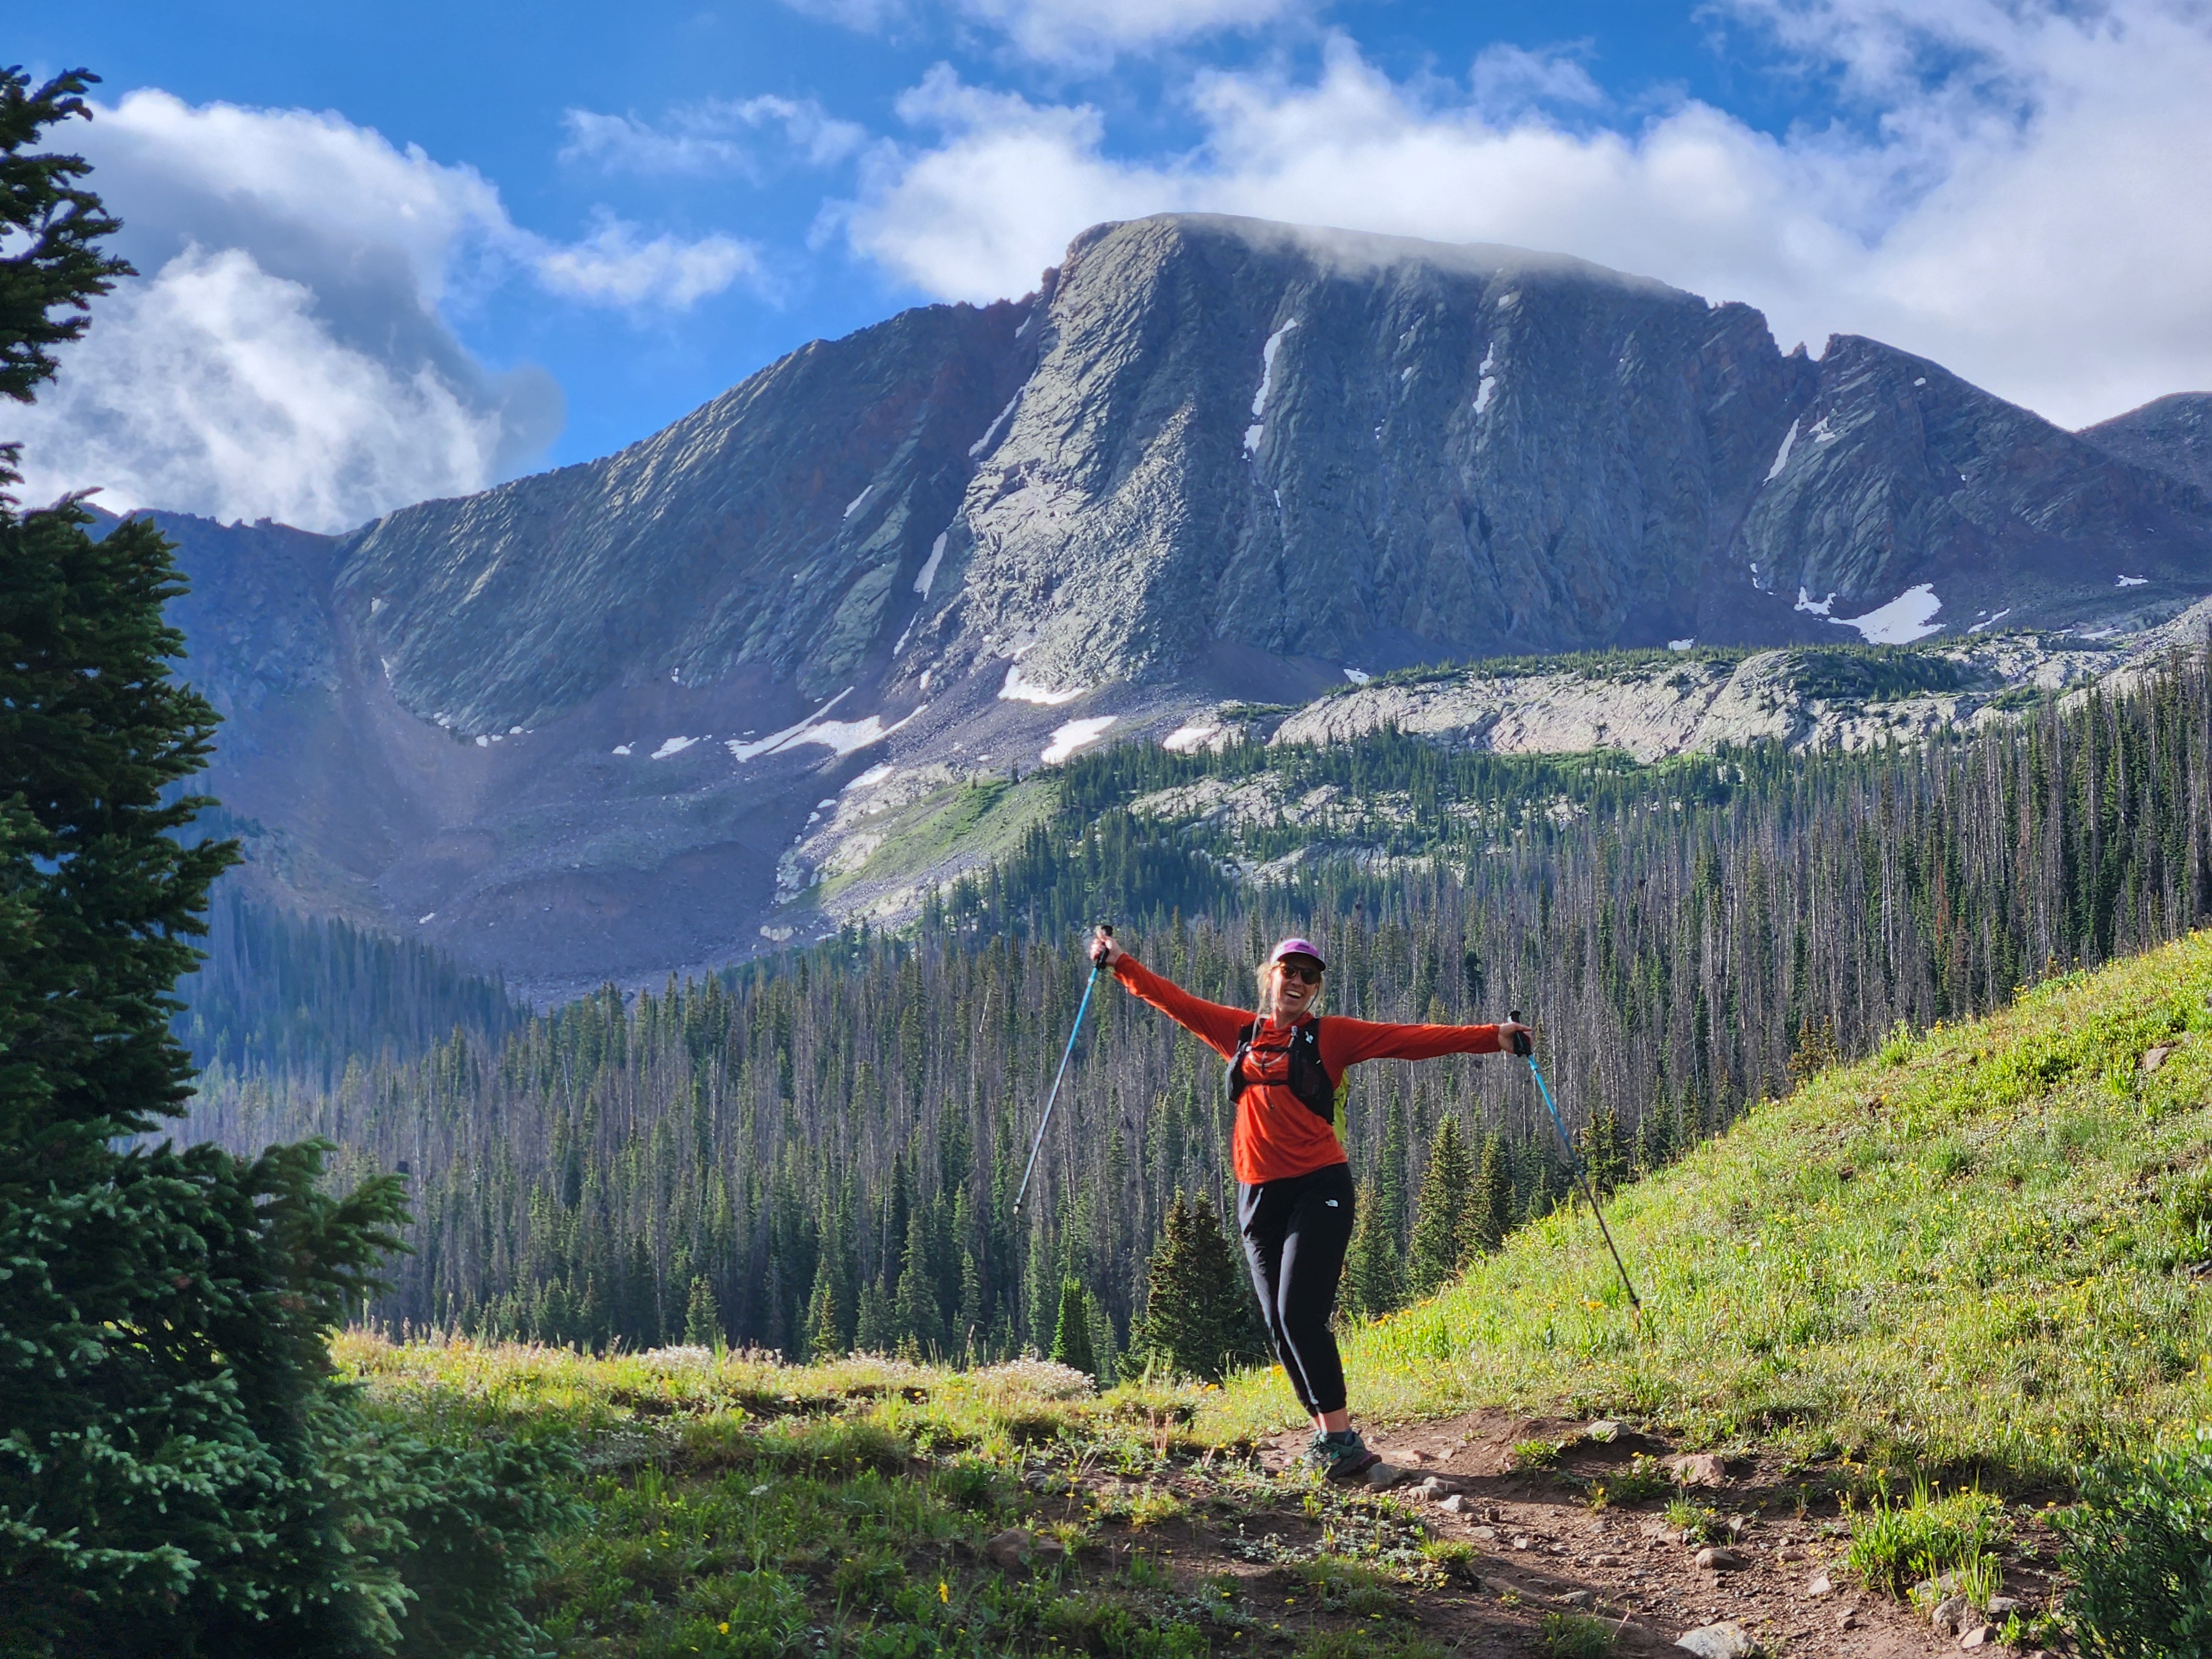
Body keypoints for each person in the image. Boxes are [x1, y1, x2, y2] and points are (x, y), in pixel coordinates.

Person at [1089, 925, 1527, 1481]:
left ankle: (1343, 1440)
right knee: (1278, 1323)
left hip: (1319, 1185)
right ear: (1269, 976)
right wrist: (1120, 962)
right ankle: (1327, 1437)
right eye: (1287, 971)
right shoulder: (1239, 1033)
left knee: (1301, 1312)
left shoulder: (1332, 1036)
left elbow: (1410, 1039)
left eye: (1308, 976)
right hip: (1257, 1196)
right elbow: (1174, 1001)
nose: (1296, 981)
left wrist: (1495, 1036)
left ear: (1315, 989)